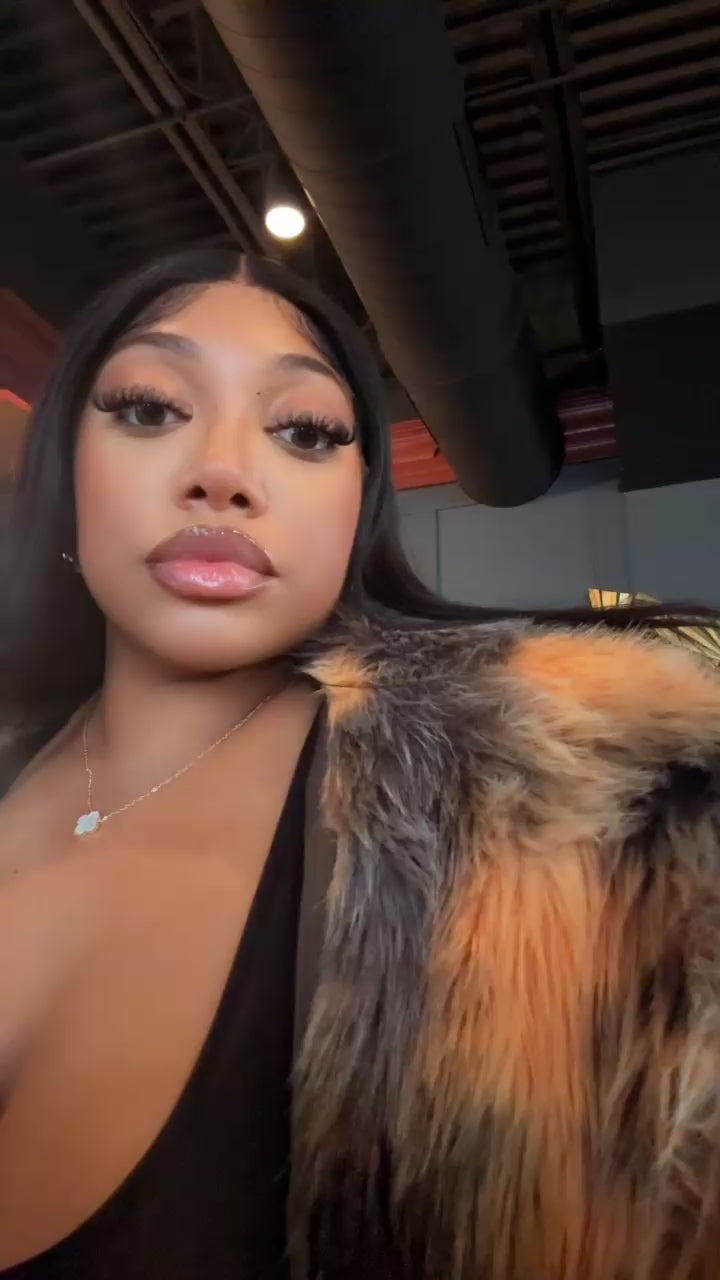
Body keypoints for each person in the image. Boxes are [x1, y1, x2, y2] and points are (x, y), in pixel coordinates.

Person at [0, 248, 719, 1280]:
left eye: (303, 430)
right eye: (151, 408)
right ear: (68, 471)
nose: (223, 471)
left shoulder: (591, 829)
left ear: (359, 501)